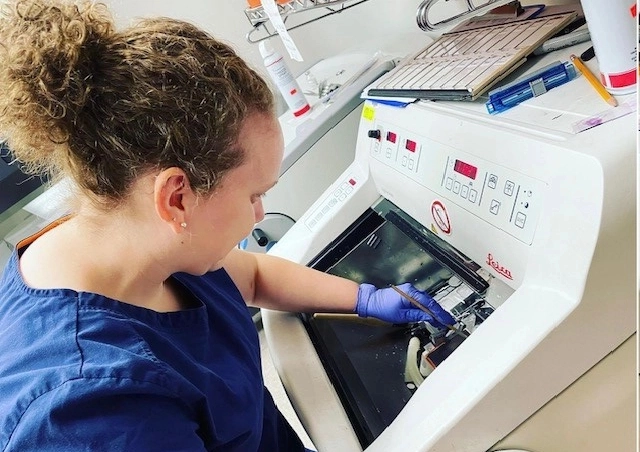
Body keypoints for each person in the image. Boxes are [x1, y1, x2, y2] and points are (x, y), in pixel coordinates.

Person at [0, 1, 455, 451]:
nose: (260, 214)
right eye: (253, 194)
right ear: (176, 198)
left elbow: (253, 276)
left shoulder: (129, 237)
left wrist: (363, 299)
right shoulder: (93, 412)